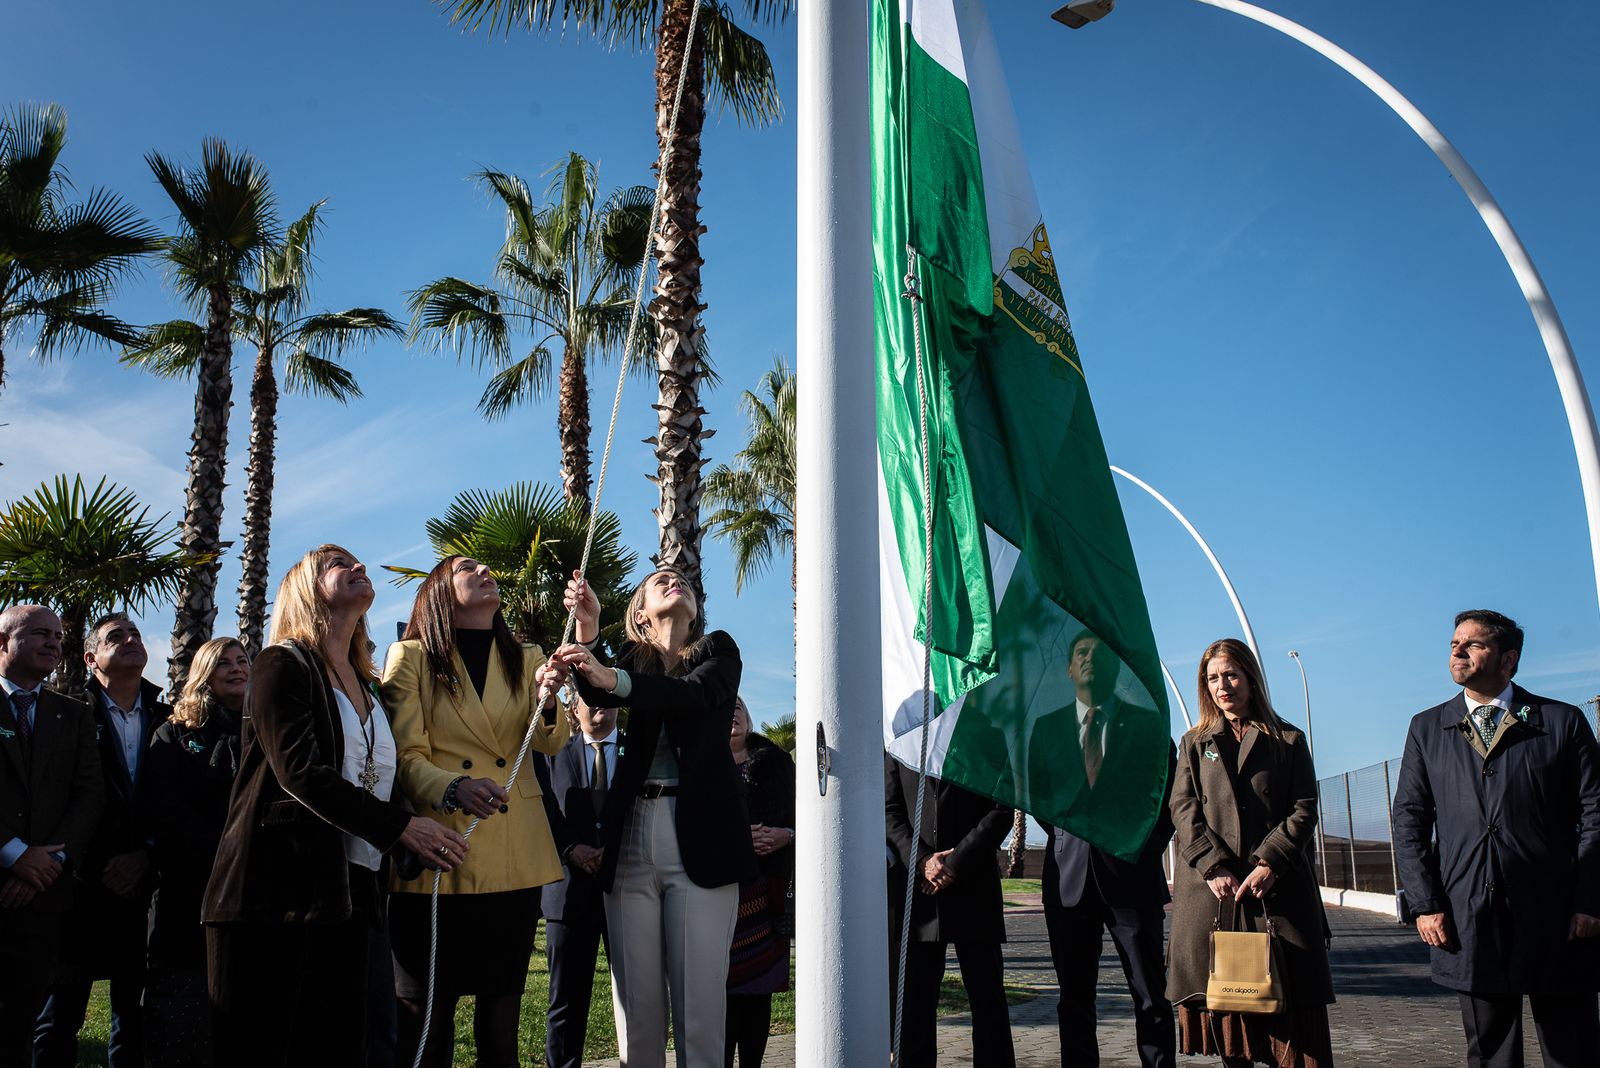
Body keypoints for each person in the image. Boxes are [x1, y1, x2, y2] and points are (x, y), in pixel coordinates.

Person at [202, 545, 483, 1068]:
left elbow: (379, 780)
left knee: (341, 1048)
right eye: (337, 563)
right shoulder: (280, 664)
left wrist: (419, 834)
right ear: (306, 588)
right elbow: (300, 773)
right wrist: (401, 827)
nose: (359, 567)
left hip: (354, 893)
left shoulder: (371, 687)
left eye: (358, 561)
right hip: (275, 893)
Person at [550, 568, 759, 1068]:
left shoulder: (718, 651)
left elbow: (693, 696)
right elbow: (596, 691)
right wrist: (587, 626)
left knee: (699, 1010)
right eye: (661, 579)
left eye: (682, 579)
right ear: (640, 613)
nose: (675, 581)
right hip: (633, 835)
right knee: (636, 1011)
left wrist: (615, 680)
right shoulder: (632, 659)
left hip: (702, 838)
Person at [381, 555, 570, 1068]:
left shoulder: (528, 655)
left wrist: (550, 701)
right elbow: (404, 757)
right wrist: (454, 787)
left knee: (501, 1024)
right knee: (427, 1024)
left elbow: (551, 742)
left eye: (487, 568)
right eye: (468, 567)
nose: (485, 570)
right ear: (439, 589)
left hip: (514, 857)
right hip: (440, 849)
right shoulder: (409, 656)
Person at [1392, 610, 1600, 1068]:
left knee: (1573, 1048)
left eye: (1473, 644)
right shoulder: (1427, 727)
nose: (1458, 651)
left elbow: (1595, 814)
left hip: (1557, 914)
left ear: (1509, 660)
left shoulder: (1560, 722)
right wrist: (1426, 903)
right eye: (1454, 643)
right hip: (1471, 915)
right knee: (1490, 1053)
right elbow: (1409, 819)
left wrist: (1589, 900)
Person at [1167, 638, 1333, 1068]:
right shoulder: (1193, 742)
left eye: (1231, 675)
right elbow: (1182, 809)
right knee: (1230, 1025)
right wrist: (1212, 865)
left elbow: (1304, 806)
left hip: (1276, 897)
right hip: (1215, 899)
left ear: (1251, 679)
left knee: (1295, 1029)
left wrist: (1270, 862)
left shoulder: (1288, 740)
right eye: (1212, 678)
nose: (1223, 686)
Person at [1029, 631, 1177, 1068]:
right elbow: (1040, 800)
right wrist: (1069, 839)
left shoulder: (1150, 730)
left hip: (1133, 880)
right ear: (1070, 669)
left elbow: (1170, 800)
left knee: (1150, 996)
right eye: (1082, 653)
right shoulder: (1046, 728)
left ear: (1117, 669)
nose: (1091, 659)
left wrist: (1139, 848)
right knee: (1074, 1001)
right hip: (1068, 884)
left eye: (1100, 654)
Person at [35, 613, 164, 1068]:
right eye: (116, 637)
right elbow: (55, 798)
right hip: (81, 886)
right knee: (58, 1016)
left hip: (148, 888)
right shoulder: (63, 716)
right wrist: (96, 862)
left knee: (135, 1016)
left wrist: (147, 855)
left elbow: (176, 800)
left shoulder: (171, 719)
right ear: (91, 659)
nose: (131, 639)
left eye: (135, 634)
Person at [139, 636, 250, 1067]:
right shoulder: (174, 732)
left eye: (242, 660)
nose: (237, 668)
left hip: (251, 893)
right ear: (204, 672)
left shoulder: (264, 728)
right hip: (187, 892)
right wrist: (224, 852)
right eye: (223, 662)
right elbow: (163, 809)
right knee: (182, 1017)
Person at [0, 606, 102, 1068]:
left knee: (19, 1028)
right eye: (38, 633)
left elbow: (88, 794)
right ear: (3, 643)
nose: (52, 643)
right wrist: (14, 854)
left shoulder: (73, 715)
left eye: (57, 637)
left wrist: (48, 864)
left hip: (42, 898)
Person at [883, 750, 1016, 1068]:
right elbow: (888, 813)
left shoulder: (986, 734)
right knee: (914, 1006)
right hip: (919, 892)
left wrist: (955, 864)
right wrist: (923, 861)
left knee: (988, 1002)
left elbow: (1002, 810)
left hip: (974, 887)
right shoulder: (899, 742)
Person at [536, 694, 622, 1068]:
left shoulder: (643, 754)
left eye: (608, 698)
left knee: (639, 998)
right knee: (566, 1003)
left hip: (629, 889)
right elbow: (541, 809)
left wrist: (614, 852)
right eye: (590, 700)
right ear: (574, 709)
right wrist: (571, 848)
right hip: (568, 894)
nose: (600, 706)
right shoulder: (551, 755)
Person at [725, 696, 795, 1068]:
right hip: (717, 894)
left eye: (741, 707)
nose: (734, 711)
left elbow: (805, 819)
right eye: (727, 706)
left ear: (750, 719)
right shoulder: (700, 765)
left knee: (757, 993)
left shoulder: (778, 764)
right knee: (719, 994)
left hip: (766, 897)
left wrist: (788, 834)